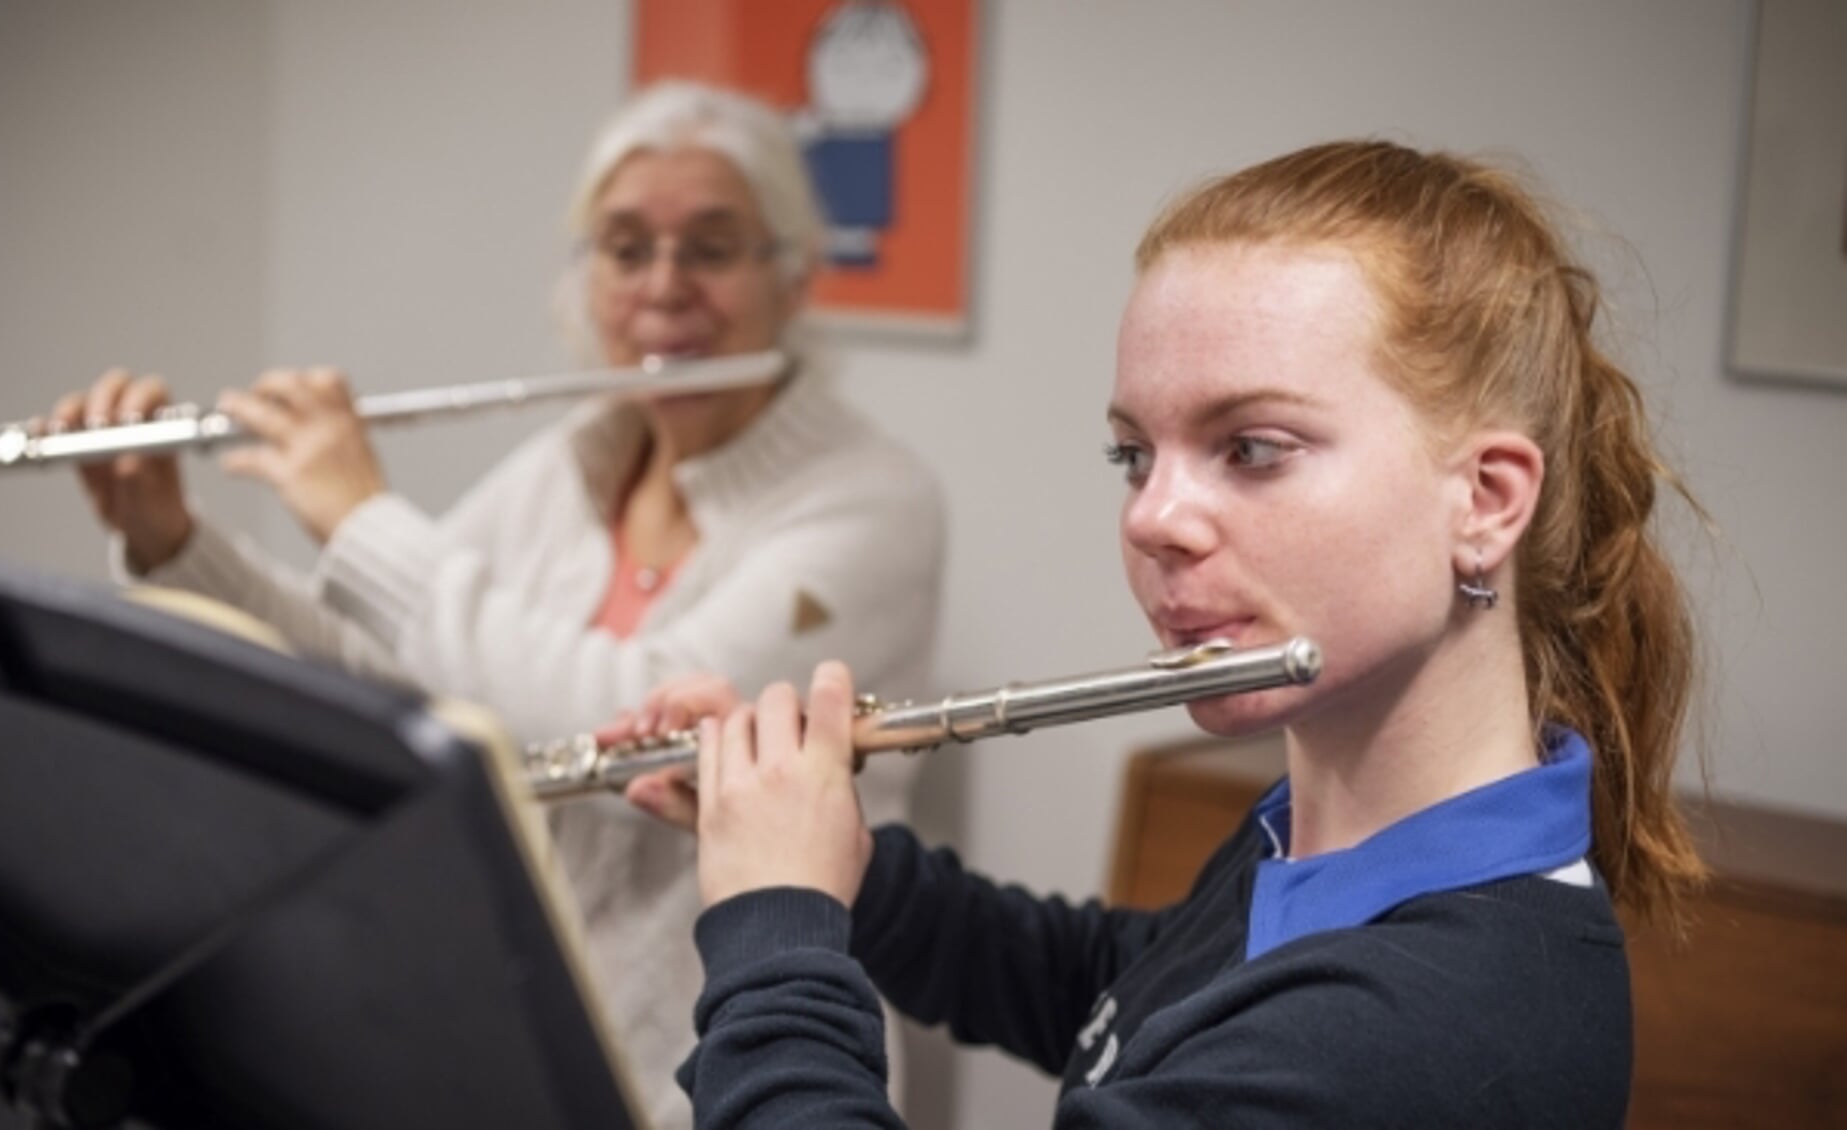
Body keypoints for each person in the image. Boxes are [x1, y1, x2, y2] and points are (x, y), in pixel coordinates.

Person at [623, 140, 1707, 1128]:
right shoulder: (1327, 839)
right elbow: (1119, 996)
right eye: (1132, 455)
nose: (1150, 517)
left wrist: (774, 924)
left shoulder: (1420, 1028)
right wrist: (851, 864)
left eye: (1250, 448)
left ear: (1482, 497)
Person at [50, 80, 945, 1129]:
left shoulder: (873, 500)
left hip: (742, 1067)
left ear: (790, 278)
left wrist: (360, 519)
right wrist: (173, 541)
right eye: (623, 246)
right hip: (518, 1039)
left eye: (710, 247)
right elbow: (382, 672)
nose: (662, 286)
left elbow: (637, 732)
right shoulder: (569, 464)